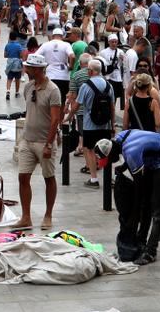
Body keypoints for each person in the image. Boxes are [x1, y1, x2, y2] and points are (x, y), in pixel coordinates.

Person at [100, 130, 160, 263]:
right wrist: (124, 167)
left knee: (157, 209)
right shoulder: (119, 138)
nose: (109, 163)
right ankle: (141, 243)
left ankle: (151, 252)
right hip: (152, 160)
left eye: (108, 159)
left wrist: (134, 217)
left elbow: (139, 188)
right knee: (145, 204)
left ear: (112, 152)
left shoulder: (131, 151)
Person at [15, 54, 62, 230]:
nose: (26, 70)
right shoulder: (28, 87)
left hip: (44, 141)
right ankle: (26, 217)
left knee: (48, 178)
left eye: (29, 67)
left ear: (38, 69)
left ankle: (48, 215)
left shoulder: (53, 90)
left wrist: (49, 144)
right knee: (22, 177)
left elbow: (55, 119)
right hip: (27, 140)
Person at [68, 59, 113, 189]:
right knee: (106, 150)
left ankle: (94, 178)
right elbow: (112, 107)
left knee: (89, 149)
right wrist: (113, 124)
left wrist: (70, 116)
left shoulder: (86, 86)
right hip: (105, 124)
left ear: (91, 71)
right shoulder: (108, 85)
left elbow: (77, 104)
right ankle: (108, 177)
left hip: (90, 124)